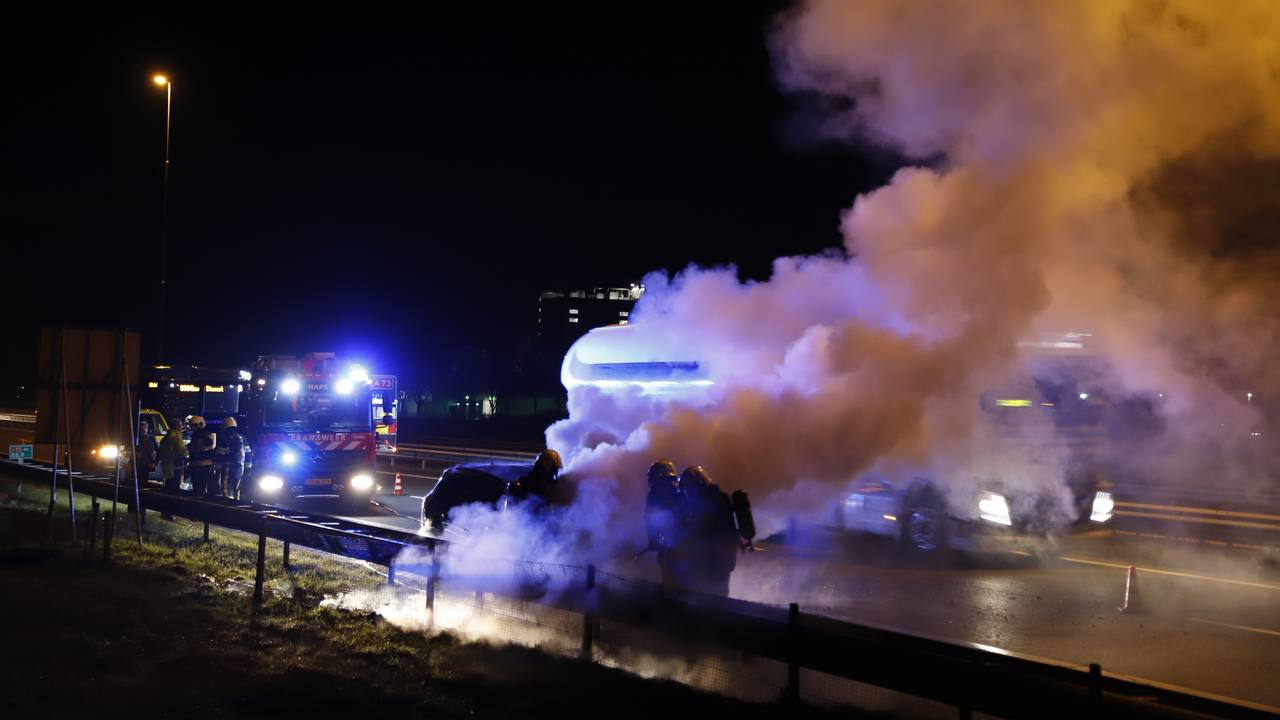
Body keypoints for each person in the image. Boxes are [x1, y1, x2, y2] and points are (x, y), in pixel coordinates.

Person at [674, 466, 740, 597]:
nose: (688, 495)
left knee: (713, 602)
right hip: (716, 564)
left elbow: (704, 532)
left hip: (714, 565)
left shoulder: (713, 502)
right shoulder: (716, 499)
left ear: (698, 485)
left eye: (689, 490)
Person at [640, 458, 682, 586]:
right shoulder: (682, 489)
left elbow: (651, 519)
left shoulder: (656, 492)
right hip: (687, 545)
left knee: (670, 584)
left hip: (669, 547)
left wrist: (653, 541)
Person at [187, 415, 218, 497]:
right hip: (199, 465)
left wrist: (189, 448)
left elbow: (199, 448)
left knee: (200, 490)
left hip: (202, 466)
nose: (192, 428)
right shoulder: (199, 435)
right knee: (198, 489)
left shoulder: (203, 435)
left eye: (193, 426)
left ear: (199, 425)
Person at [217, 416, 246, 499]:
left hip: (227, 466)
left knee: (225, 486)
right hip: (240, 466)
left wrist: (217, 466)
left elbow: (220, 453)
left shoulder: (225, 439)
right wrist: (248, 467)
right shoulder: (243, 438)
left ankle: (228, 504)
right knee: (236, 485)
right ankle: (236, 501)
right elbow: (248, 453)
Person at [134, 421, 159, 485]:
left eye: (144, 429)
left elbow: (158, 451)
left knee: (144, 481)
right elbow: (129, 449)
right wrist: (135, 453)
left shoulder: (151, 439)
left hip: (147, 464)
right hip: (137, 464)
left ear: (147, 429)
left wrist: (155, 462)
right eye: (141, 430)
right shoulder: (135, 438)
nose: (143, 431)